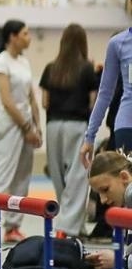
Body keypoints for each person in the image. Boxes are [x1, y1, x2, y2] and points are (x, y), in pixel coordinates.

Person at [0, 19, 42, 245]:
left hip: (27, 124)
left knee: (22, 178)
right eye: (25, 34)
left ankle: (13, 226)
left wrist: (37, 127)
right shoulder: (1, 62)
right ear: (13, 37)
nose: (29, 38)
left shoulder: (24, 62)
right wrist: (26, 127)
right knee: (3, 175)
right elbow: (7, 101)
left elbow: (30, 98)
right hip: (9, 124)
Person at [36, 24, 97, 237]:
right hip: (77, 124)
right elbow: (93, 102)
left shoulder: (51, 68)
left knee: (58, 174)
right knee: (78, 176)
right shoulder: (87, 69)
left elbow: (45, 102)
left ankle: (73, 223)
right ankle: (68, 226)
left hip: (54, 125)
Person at [85, 26, 132, 157]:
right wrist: (90, 136)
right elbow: (105, 94)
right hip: (128, 128)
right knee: (128, 176)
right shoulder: (118, 43)